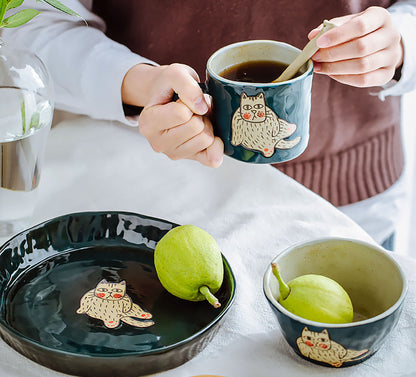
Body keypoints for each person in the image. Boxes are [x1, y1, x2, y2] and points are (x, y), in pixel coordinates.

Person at [5, 0, 416, 250]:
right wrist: (144, 83)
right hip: (162, 201)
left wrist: (399, 45)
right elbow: (33, 19)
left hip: (355, 204)